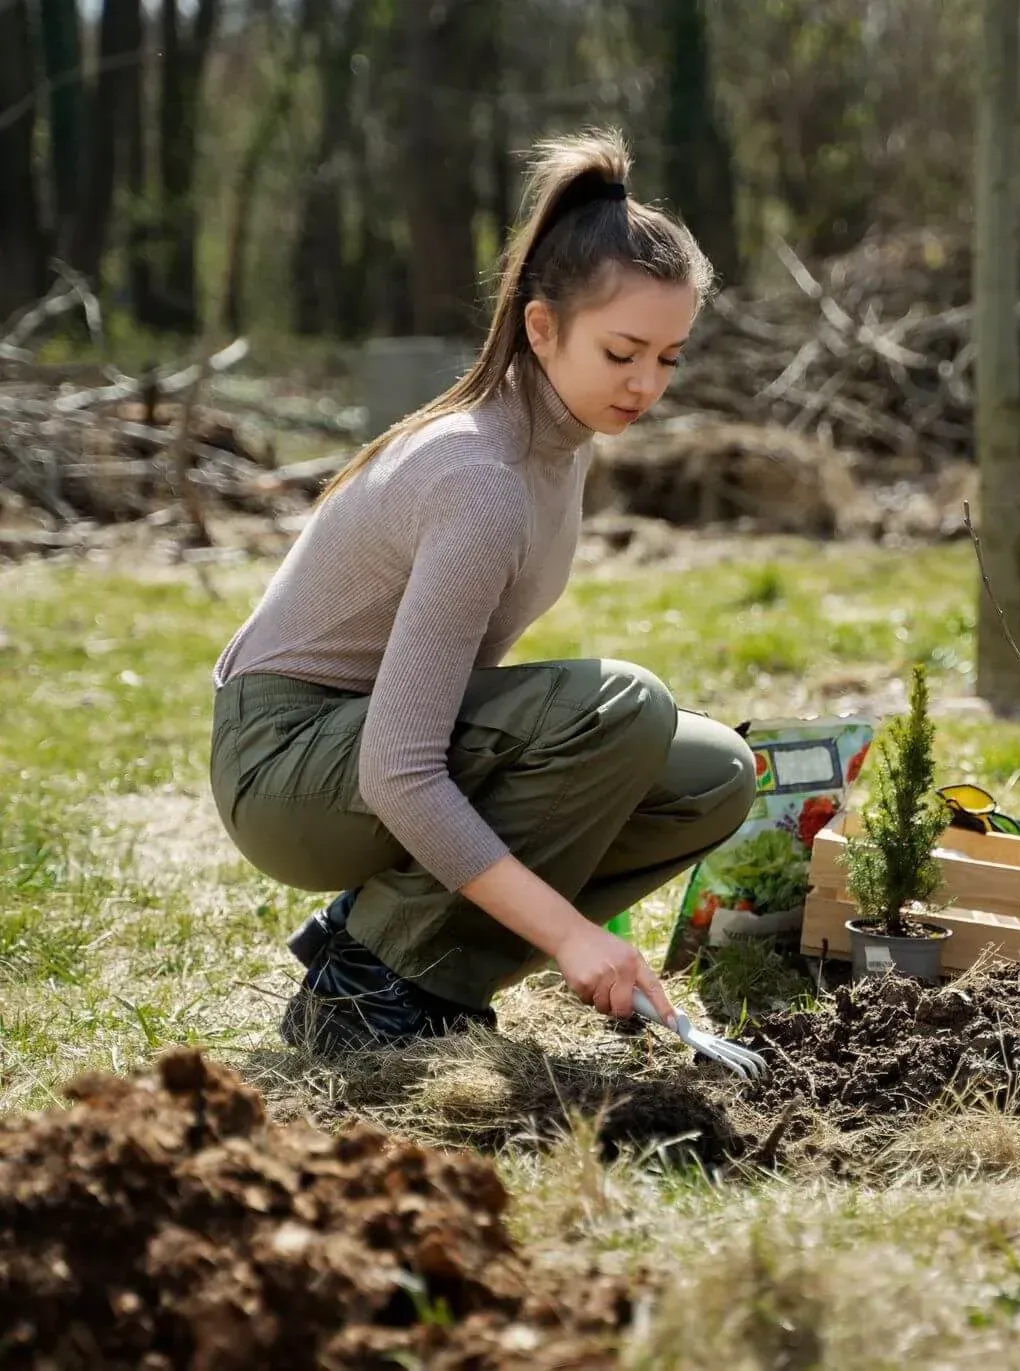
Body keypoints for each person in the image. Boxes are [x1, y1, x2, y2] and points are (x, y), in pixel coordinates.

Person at [210, 130, 755, 1054]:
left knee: (710, 773)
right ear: (542, 328)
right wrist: (571, 934)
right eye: (623, 351)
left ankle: (397, 946)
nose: (647, 384)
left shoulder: (558, 444)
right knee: (622, 706)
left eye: (669, 357)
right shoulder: (482, 478)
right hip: (286, 766)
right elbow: (399, 767)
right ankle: (367, 987)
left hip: (356, 753)